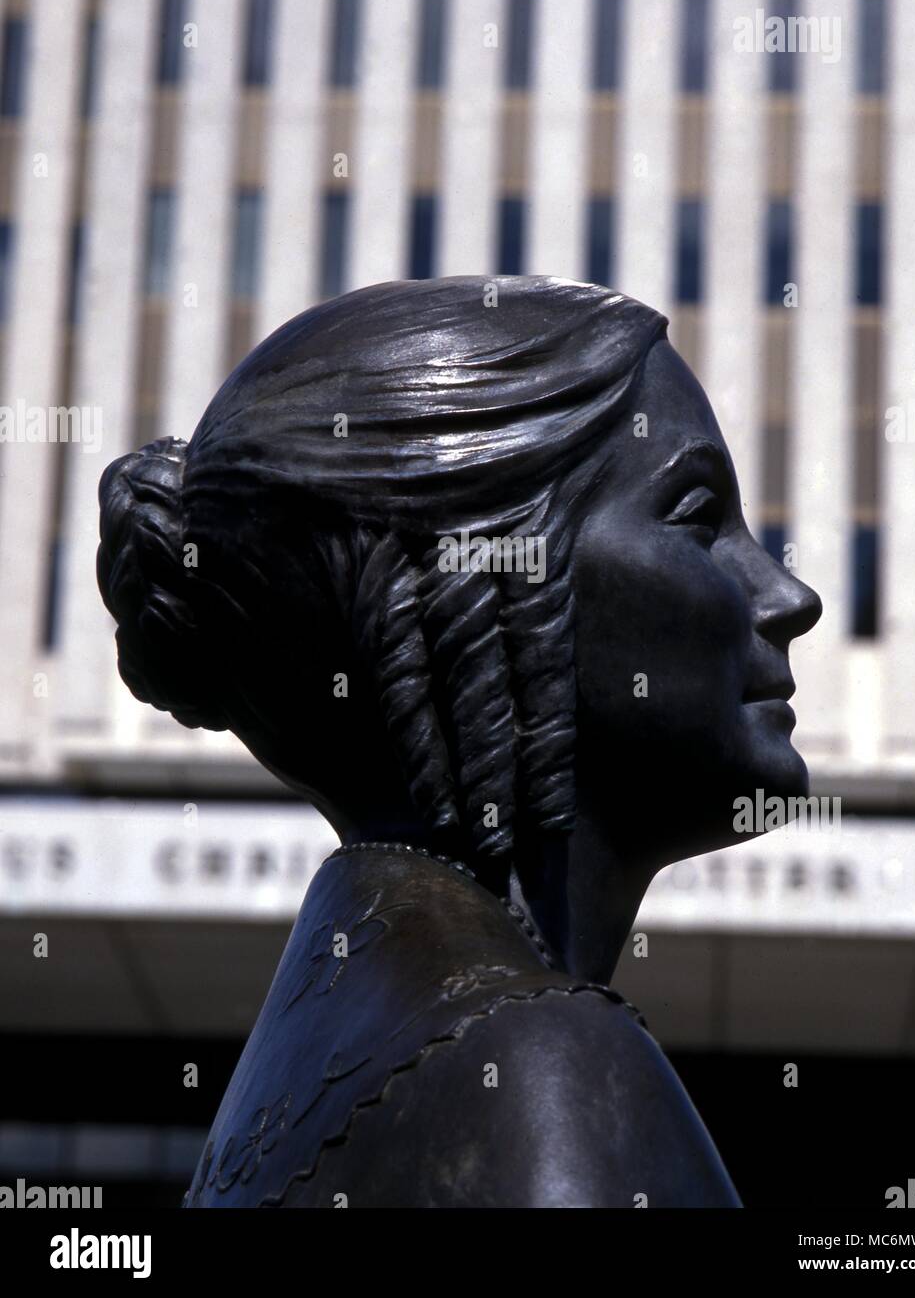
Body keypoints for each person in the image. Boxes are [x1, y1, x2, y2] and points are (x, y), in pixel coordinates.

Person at [97, 275, 821, 1207]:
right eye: (693, 516)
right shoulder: (541, 1072)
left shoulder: (290, 1096)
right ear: (486, 585)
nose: (786, 599)